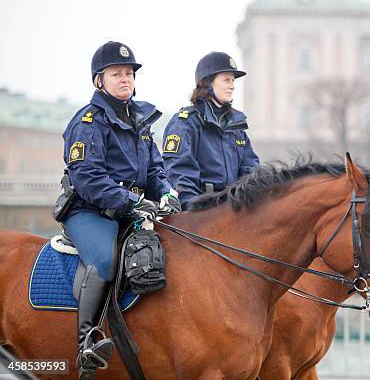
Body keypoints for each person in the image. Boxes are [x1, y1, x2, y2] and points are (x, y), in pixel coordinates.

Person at [60, 41, 181, 379]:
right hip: (90, 211)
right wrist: (131, 202)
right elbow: (88, 178)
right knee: (103, 261)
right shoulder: (87, 121)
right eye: (116, 73)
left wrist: (168, 193)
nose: (125, 78)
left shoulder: (141, 119)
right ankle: (87, 344)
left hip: (133, 209)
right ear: (100, 80)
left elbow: (156, 170)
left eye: (129, 73)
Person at [162, 51, 259, 208]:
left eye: (233, 81)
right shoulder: (185, 123)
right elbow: (180, 173)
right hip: (202, 209)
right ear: (207, 83)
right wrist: (197, 209)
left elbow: (251, 169)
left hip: (233, 208)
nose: (232, 86)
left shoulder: (236, 125)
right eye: (226, 80)